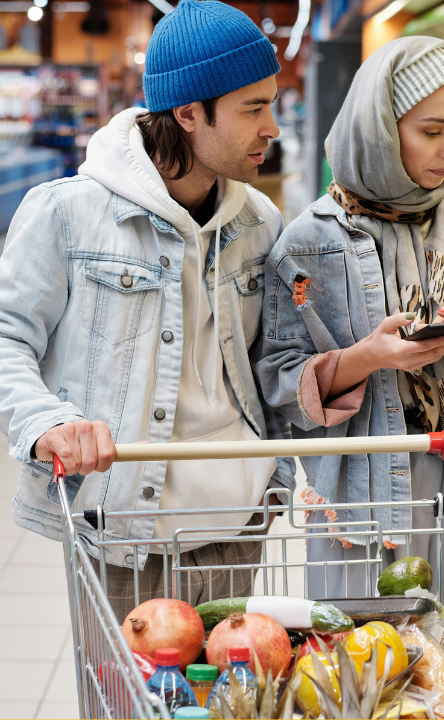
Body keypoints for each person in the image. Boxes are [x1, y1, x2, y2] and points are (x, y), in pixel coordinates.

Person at [0, 0, 294, 619]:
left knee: (232, 709)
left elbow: (273, 360)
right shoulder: (66, 214)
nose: (272, 128)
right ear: (188, 113)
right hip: (127, 535)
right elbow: (7, 336)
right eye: (254, 108)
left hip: (242, 527)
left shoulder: (259, 222)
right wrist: (46, 422)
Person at [256, 37, 444, 600]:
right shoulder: (307, 245)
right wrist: (366, 358)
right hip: (361, 503)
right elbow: (277, 376)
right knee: (364, 665)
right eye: (430, 130)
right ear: (379, 127)